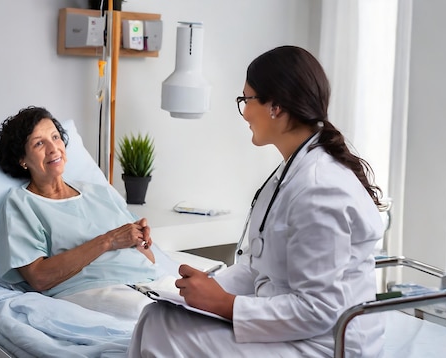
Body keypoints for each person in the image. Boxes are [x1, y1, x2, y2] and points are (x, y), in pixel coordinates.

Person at [129, 46, 385, 357]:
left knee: (165, 331)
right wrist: (198, 287)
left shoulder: (320, 189)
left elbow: (319, 310)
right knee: (159, 317)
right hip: (291, 326)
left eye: (246, 100)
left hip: (327, 343)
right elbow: (259, 268)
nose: (245, 113)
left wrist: (224, 304)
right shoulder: (292, 172)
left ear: (275, 105)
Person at [0, 106, 170, 320]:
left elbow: (148, 257)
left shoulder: (100, 192)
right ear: (22, 159)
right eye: (39, 143)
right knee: (161, 318)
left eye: (55, 137)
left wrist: (140, 240)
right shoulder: (21, 203)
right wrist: (108, 241)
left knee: (206, 305)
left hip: (149, 280)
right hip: (94, 289)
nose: (53, 148)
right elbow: (39, 277)